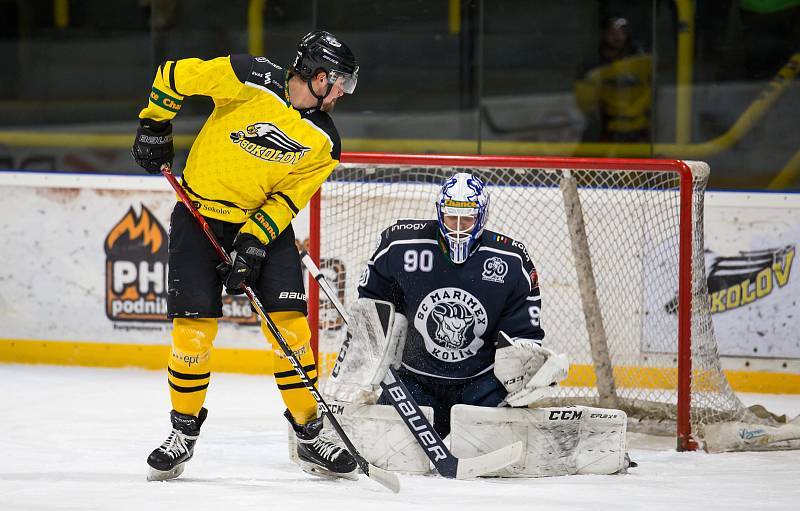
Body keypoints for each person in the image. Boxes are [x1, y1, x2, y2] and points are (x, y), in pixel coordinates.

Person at [131, 30, 360, 482]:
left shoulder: (324, 141)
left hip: (263, 230)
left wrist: (253, 244)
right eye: (340, 84)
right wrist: (155, 124)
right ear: (318, 77)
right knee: (192, 333)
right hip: (198, 216)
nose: (342, 94)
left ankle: (310, 435)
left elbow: (286, 200)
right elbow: (173, 75)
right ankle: (183, 432)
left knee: (292, 332)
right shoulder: (248, 76)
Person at [351, 173, 564, 438]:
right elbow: (372, 308)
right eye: (452, 218)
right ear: (440, 213)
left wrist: (525, 369)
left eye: (467, 219)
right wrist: (370, 363)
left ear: (482, 217)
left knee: (500, 453)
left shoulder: (511, 261)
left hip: (481, 385)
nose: (459, 227)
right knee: (392, 451)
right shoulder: (400, 245)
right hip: (414, 380)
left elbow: (523, 333)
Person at [574, 16, 653, 144]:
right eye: (613, 32)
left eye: (622, 32)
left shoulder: (639, 61)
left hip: (638, 128)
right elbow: (585, 101)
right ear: (604, 34)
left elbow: (649, 90)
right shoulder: (592, 65)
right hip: (605, 127)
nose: (617, 37)